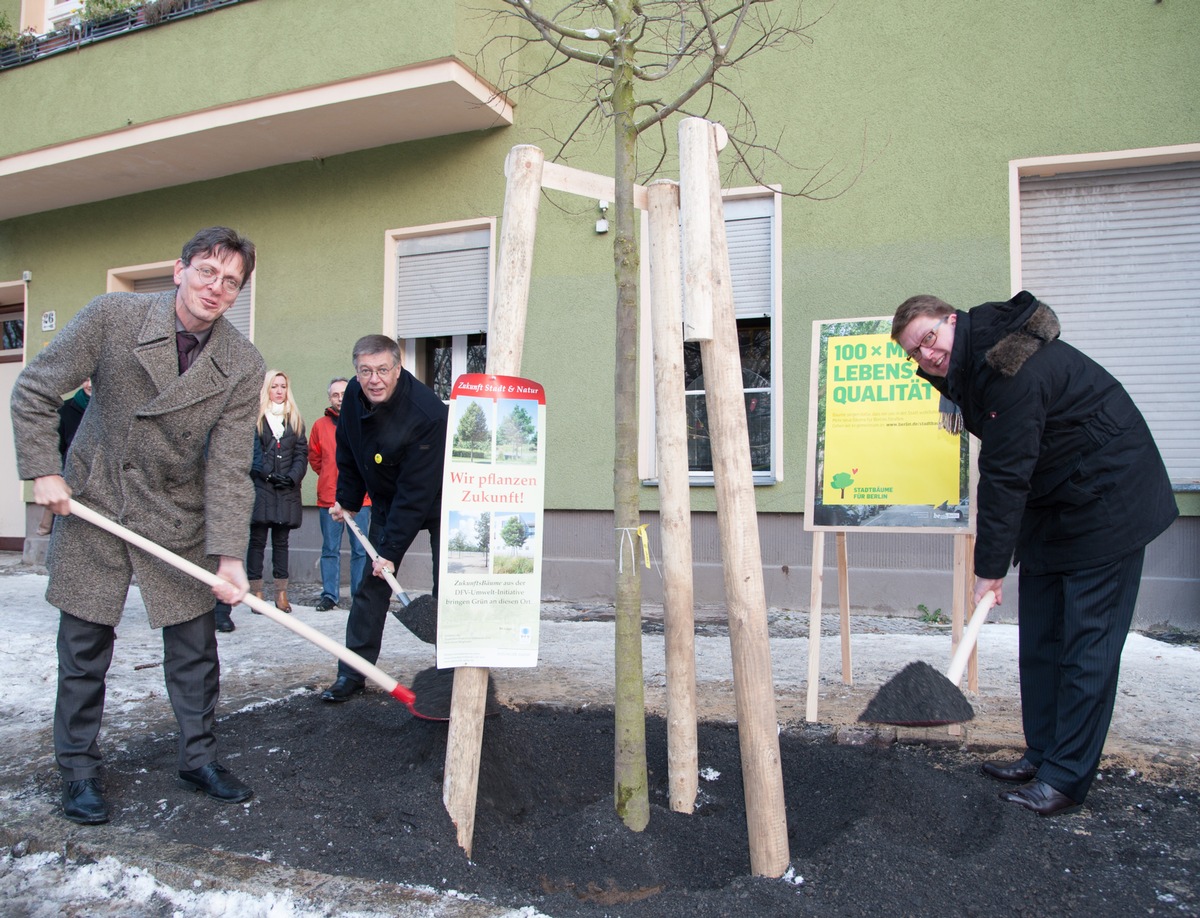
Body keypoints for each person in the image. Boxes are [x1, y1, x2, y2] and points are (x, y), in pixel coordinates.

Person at [11, 226, 266, 825]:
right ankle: (77, 769)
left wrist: (229, 554)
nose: (216, 287)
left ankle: (198, 758)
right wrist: (44, 471)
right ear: (179, 270)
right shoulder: (112, 316)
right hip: (95, 502)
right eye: (207, 271)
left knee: (195, 651)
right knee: (84, 648)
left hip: (175, 513)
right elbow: (34, 391)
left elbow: (230, 466)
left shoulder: (242, 363)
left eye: (231, 281)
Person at [892, 290, 1177, 817]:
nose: (926, 356)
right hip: (1057, 501)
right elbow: (1016, 469)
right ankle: (1043, 754)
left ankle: (1066, 778)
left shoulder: (1011, 368)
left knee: (1086, 645)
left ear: (952, 321)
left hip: (1110, 498)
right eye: (915, 352)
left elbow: (1005, 472)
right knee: (1042, 638)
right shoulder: (973, 371)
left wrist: (989, 572)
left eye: (929, 338)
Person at [320, 335, 447, 702]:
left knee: (448, 590)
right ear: (357, 372)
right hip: (388, 499)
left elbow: (417, 492)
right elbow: (348, 452)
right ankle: (354, 673)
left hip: (438, 500)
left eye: (382, 370)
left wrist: (389, 550)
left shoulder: (427, 413)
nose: (374, 379)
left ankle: (451, 674)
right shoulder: (354, 402)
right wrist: (345, 499)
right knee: (369, 587)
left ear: (397, 368)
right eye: (365, 371)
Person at [212, 370, 308, 632]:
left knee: (281, 543)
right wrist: (267, 473)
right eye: (274, 386)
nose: (279, 391)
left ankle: (281, 594)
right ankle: (256, 594)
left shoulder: (295, 420)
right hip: (261, 488)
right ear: (266, 389)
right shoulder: (256, 418)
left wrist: (291, 477)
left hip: (286, 491)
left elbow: (301, 453)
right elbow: (252, 452)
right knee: (256, 543)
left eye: (283, 386)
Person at [308, 377, 371, 612]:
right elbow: (315, 459)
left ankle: (358, 595)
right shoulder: (319, 426)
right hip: (329, 498)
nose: (340, 398)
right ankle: (330, 596)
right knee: (329, 550)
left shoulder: (363, 422)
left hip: (361, 500)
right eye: (335, 394)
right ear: (329, 398)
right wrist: (328, 476)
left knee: (360, 550)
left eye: (344, 393)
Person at [36, 378, 92, 536]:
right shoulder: (64, 410)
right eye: (85, 379)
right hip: (72, 491)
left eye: (93, 379)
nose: (89, 385)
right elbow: (54, 450)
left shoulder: (117, 412)